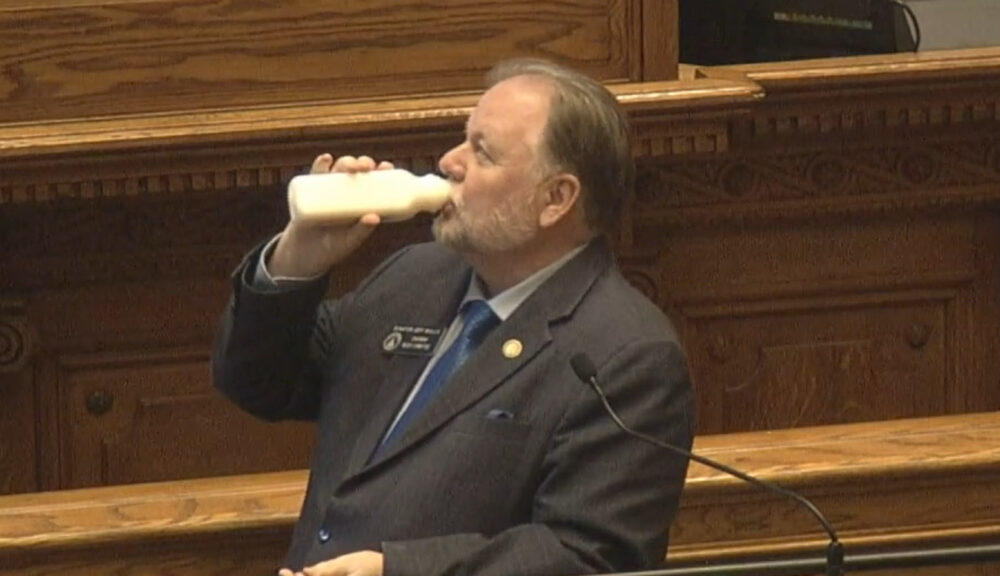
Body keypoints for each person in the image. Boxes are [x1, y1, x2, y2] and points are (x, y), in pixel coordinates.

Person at [212, 58, 694, 576]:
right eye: (463, 139)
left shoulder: (627, 357)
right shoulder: (415, 277)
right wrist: (298, 259)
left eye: (482, 153)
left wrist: (396, 571)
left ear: (555, 199)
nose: (448, 161)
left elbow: (587, 557)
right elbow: (255, 382)